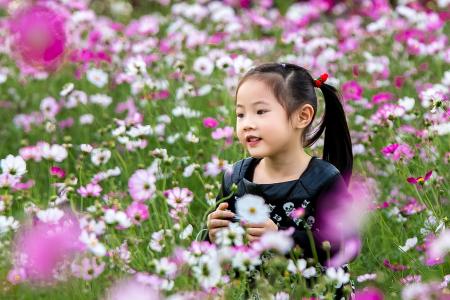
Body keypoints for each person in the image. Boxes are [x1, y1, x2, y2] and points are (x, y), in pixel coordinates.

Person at [203, 62, 355, 296]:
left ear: (302, 116)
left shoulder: (323, 179)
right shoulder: (236, 176)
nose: (247, 124)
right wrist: (214, 236)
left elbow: (345, 244)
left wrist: (282, 237)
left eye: (260, 111)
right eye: (240, 114)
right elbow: (223, 249)